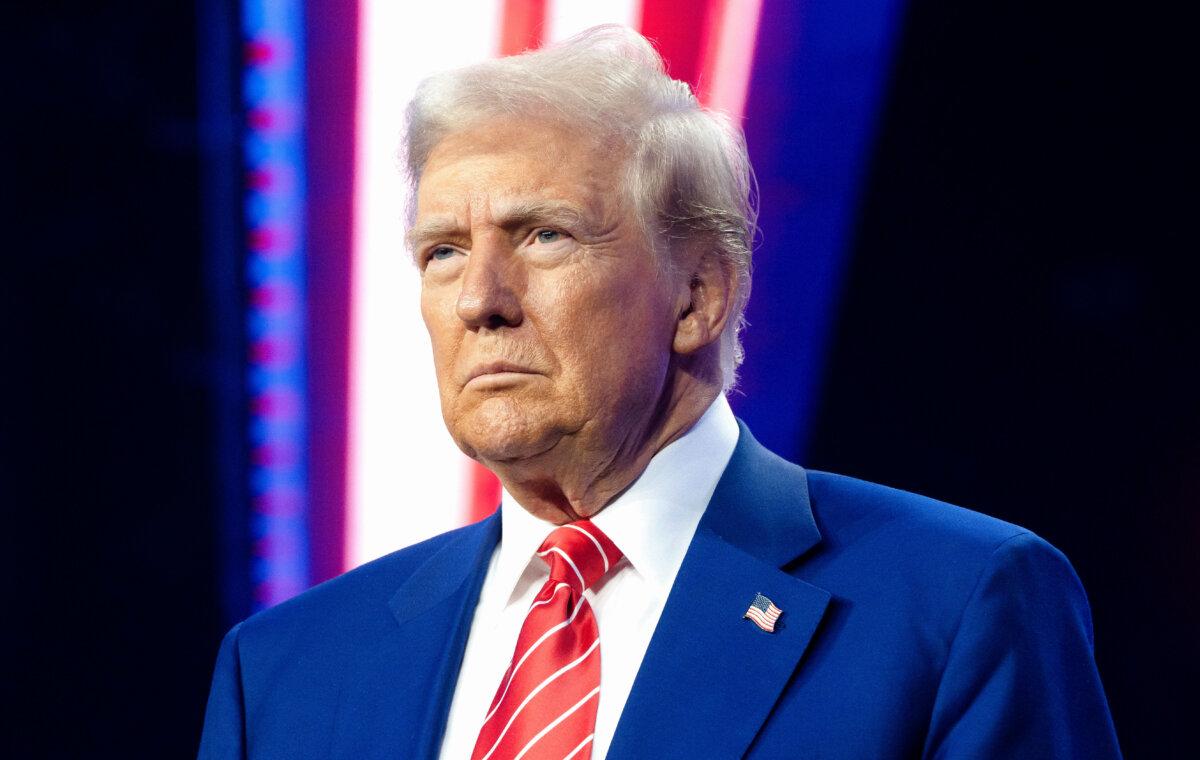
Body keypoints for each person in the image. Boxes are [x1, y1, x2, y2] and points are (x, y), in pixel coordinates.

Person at [199, 25, 1120, 759]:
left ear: (698, 295)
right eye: (442, 251)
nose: (480, 299)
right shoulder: (286, 670)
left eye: (544, 235)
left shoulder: (956, 606)